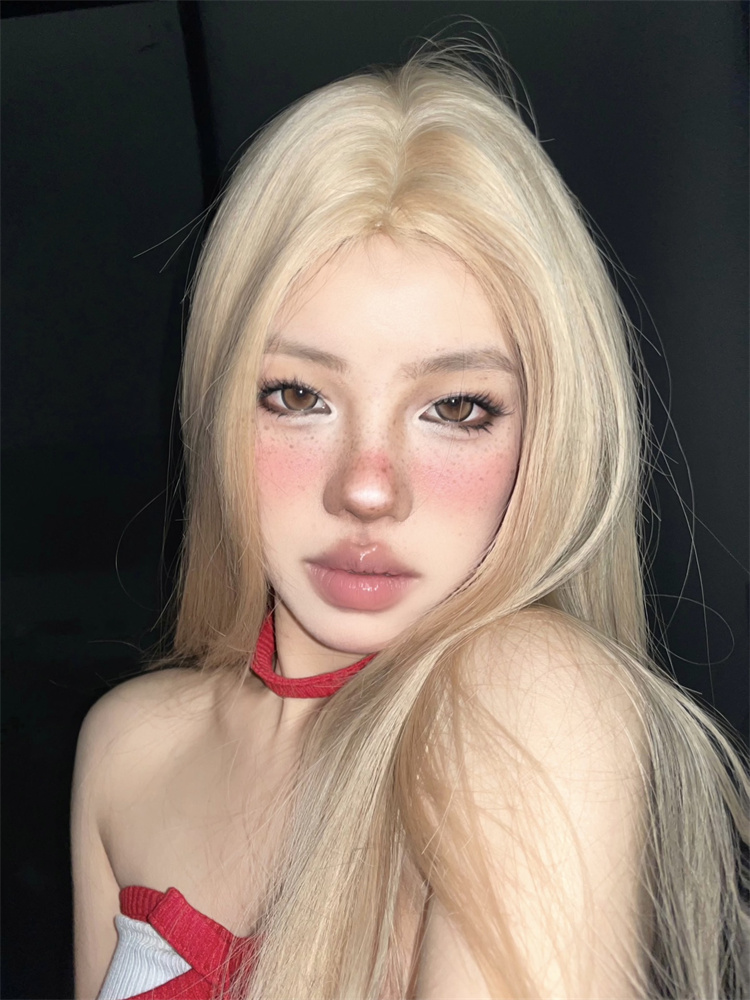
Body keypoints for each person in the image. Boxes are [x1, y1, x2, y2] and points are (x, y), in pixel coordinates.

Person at [71, 45, 749, 1000]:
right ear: (219, 407)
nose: (368, 489)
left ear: (547, 436)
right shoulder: (127, 749)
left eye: (457, 408)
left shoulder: (529, 706)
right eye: (296, 394)